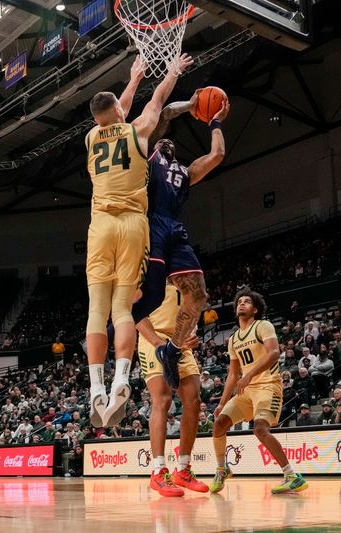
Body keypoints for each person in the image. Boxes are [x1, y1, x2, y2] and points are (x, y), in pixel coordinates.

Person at [84, 53, 193, 428]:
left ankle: (96, 386)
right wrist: (171, 73)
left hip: (99, 226)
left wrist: (131, 80)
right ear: (118, 112)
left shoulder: (91, 136)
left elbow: (116, 110)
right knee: (122, 310)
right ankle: (120, 381)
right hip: (131, 224)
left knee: (96, 309)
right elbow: (156, 102)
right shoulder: (138, 130)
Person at [132, 92, 229, 388]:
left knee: (198, 296)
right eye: (164, 141)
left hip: (176, 229)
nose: (167, 142)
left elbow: (217, 156)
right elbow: (162, 116)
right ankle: (126, 326)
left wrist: (214, 122)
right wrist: (191, 105)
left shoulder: (184, 172)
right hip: (152, 224)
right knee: (150, 295)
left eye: (170, 142)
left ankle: (172, 350)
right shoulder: (149, 156)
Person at [209, 289, 307, 494]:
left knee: (260, 429)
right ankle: (221, 469)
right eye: (239, 302)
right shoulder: (233, 339)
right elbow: (233, 375)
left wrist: (250, 375)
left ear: (255, 309)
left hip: (268, 386)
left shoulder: (263, 326)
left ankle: (292, 476)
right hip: (247, 390)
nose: (242, 304)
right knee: (219, 424)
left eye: (247, 302)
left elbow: (273, 353)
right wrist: (221, 403)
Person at [135, 284, 207, 496]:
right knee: (162, 400)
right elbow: (136, 315)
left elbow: (192, 311)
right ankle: (158, 472)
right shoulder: (146, 274)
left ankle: (182, 470)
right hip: (154, 339)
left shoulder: (184, 277)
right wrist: (158, 344)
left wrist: (192, 334)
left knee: (194, 400)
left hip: (179, 342)